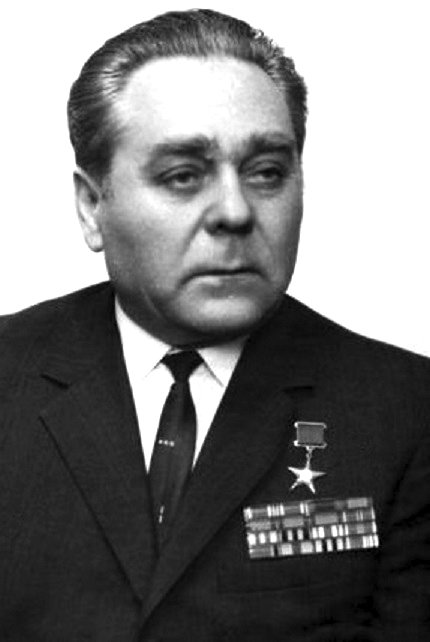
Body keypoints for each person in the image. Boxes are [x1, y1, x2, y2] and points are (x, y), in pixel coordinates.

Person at [0, 9, 429, 642]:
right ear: (92, 206)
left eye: (266, 173)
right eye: (182, 176)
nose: (234, 211)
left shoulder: (408, 411)